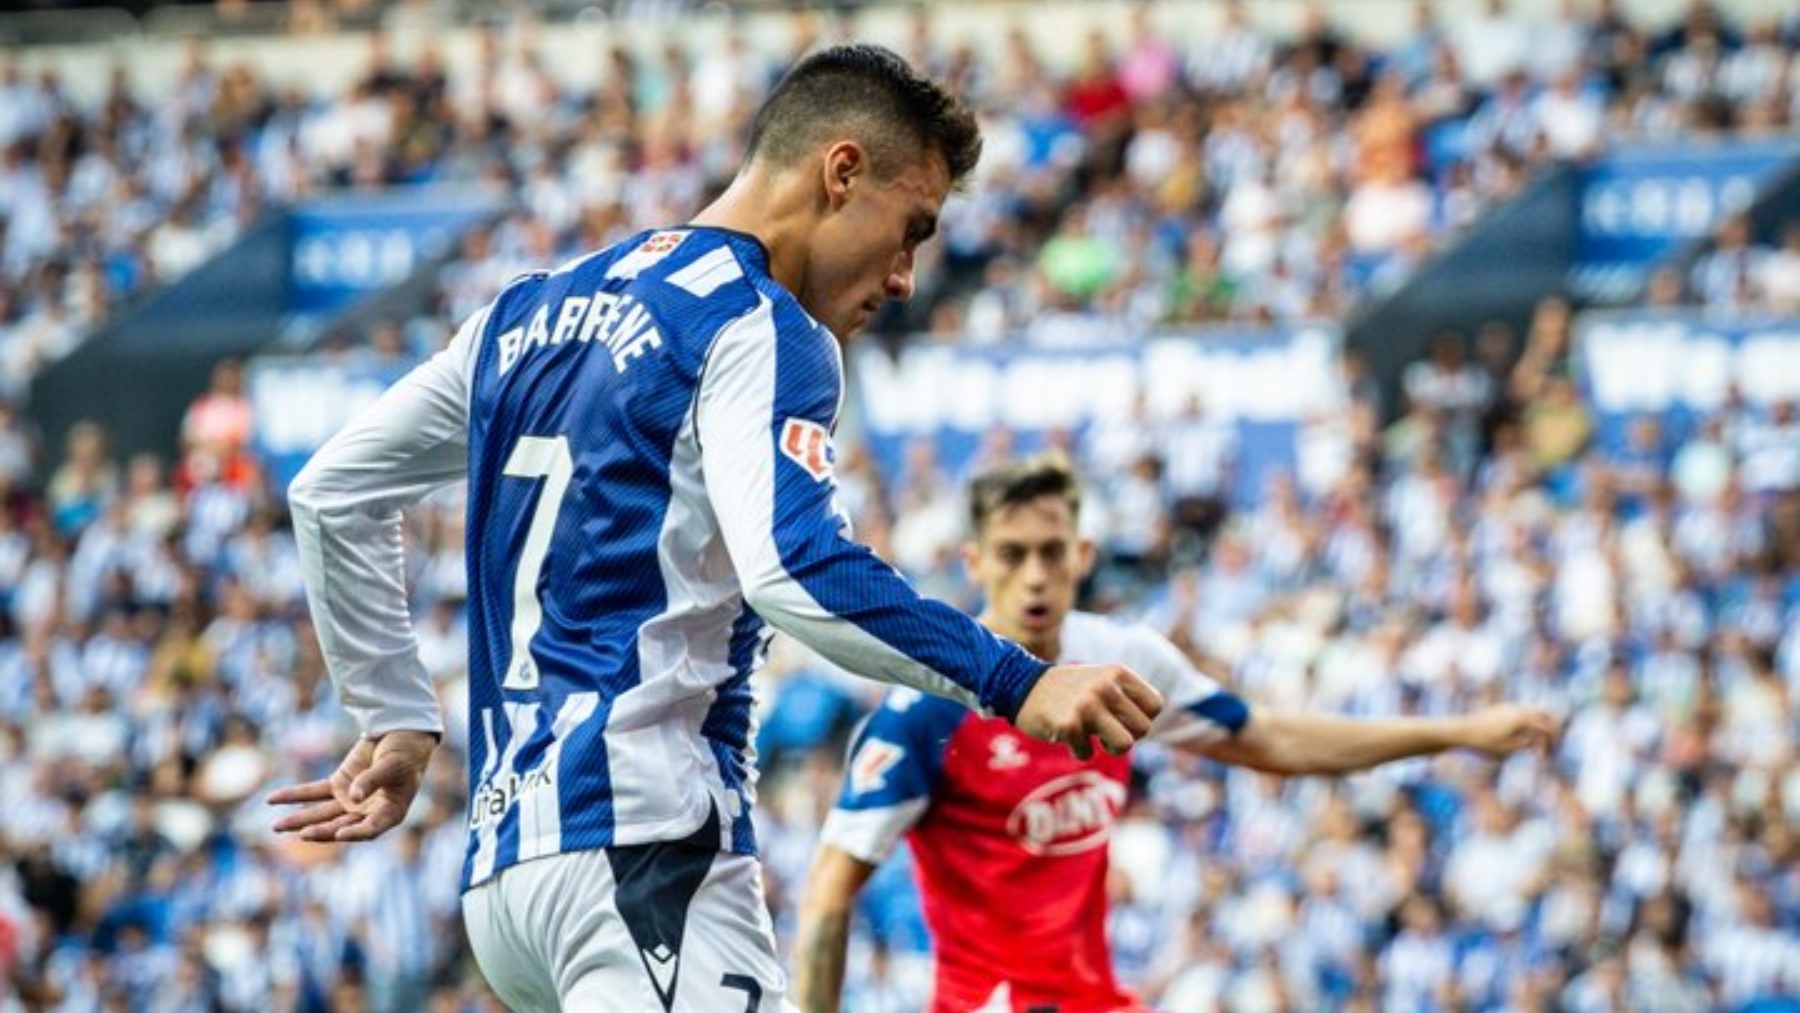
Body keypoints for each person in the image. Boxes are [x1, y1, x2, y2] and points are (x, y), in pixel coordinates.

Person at [267, 45, 1164, 1013]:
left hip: (508, 879)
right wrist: (1015, 678)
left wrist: (394, 710)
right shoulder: (761, 324)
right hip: (645, 851)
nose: (906, 276)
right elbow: (795, 567)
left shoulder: (521, 314)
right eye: (912, 230)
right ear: (842, 170)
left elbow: (333, 491)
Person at [794, 453, 1559, 1013]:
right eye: (1012, 554)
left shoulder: (1125, 660)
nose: (1034, 575)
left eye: (1052, 552)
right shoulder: (928, 705)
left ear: (1083, 556)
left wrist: (1456, 731)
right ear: (975, 561)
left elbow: (1271, 740)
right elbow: (829, 891)